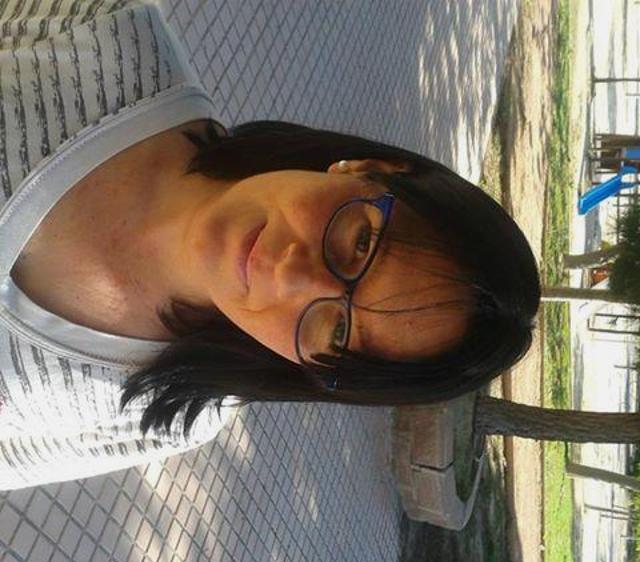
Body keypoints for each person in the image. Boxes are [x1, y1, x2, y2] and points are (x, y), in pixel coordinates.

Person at [0, 1, 540, 490]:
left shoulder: (165, 414)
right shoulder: (108, 34)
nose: (291, 276)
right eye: (359, 242)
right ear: (369, 169)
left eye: (338, 330)